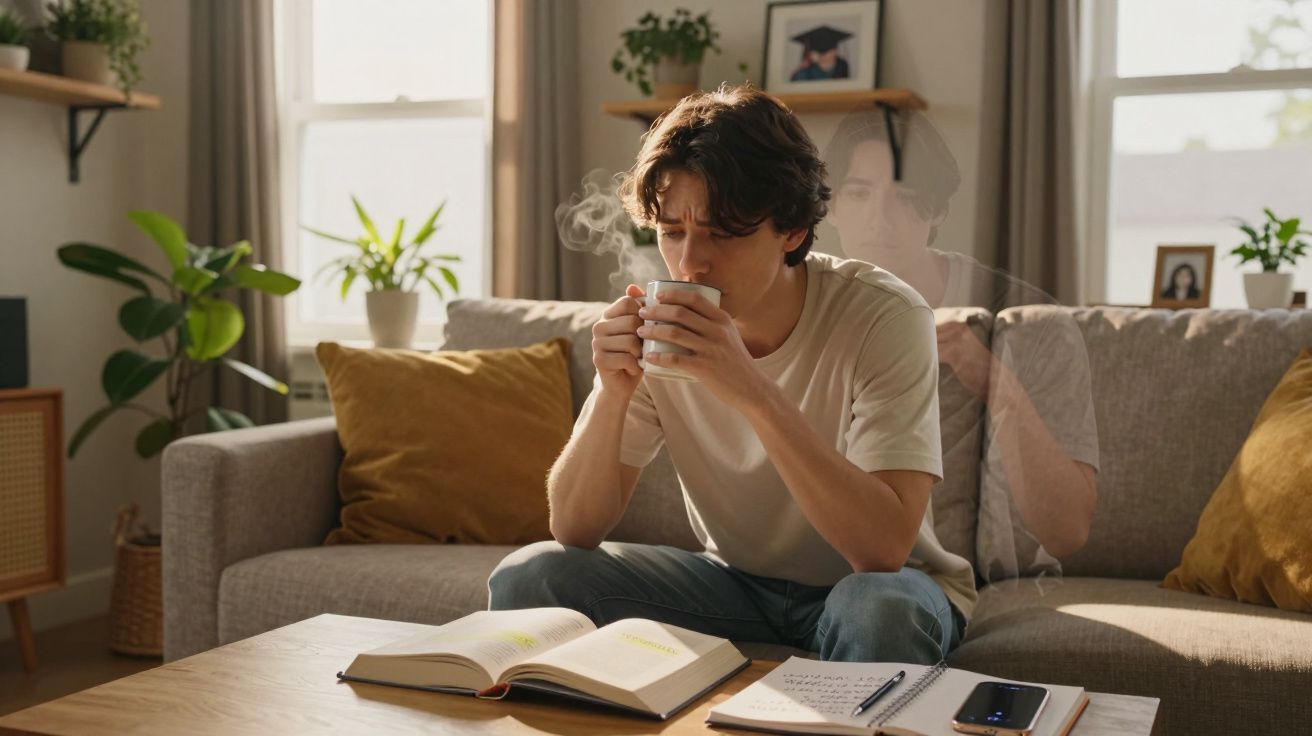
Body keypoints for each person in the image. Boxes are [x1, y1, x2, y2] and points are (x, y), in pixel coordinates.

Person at [488, 84, 975, 665]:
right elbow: (574, 527)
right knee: (530, 576)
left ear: (792, 230)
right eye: (672, 230)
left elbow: (883, 550)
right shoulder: (660, 328)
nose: (691, 261)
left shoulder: (885, 315)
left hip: (881, 583)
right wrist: (612, 393)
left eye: (722, 232)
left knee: (877, 609)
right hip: (735, 585)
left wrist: (754, 393)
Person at [822, 108, 1099, 581]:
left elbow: (1067, 531)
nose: (879, 218)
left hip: (970, 584)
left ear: (939, 210)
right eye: (859, 192)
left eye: (905, 197)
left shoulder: (1027, 320)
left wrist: (998, 385)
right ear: (830, 204)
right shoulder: (802, 302)